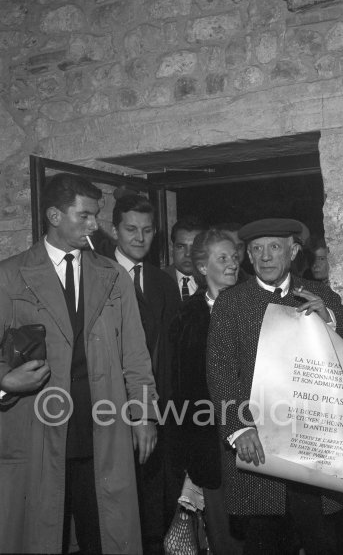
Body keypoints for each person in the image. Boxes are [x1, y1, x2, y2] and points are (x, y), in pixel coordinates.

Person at [0, 172, 158, 554]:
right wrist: (6, 383)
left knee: (106, 535)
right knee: (40, 535)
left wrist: (145, 415)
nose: (94, 225)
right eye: (84, 216)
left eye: (96, 216)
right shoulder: (9, 276)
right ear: (54, 216)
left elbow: (135, 354)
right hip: (35, 430)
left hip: (102, 430)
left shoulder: (113, 275)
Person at [206, 218, 343, 555]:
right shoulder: (231, 304)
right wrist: (240, 429)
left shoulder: (320, 294)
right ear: (248, 256)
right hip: (261, 451)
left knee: (323, 542)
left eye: (274, 247)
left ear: (293, 251)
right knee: (266, 541)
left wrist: (331, 319)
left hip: (315, 449)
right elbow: (221, 372)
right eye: (256, 249)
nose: (265, 256)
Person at [111, 192, 183, 554]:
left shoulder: (162, 282)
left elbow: (170, 354)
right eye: (130, 229)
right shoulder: (99, 277)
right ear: (114, 230)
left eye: (148, 230)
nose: (139, 238)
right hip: (110, 412)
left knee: (156, 506)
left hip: (160, 411)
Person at [170, 228, 242, 554]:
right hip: (209, 445)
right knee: (222, 536)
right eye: (222, 258)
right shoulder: (188, 316)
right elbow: (181, 387)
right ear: (202, 267)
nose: (232, 264)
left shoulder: (252, 308)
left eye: (235, 257)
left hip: (253, 433)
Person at [165, 216, 207, 300]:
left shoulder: (215, 281)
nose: (188, 254)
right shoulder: (157, 281)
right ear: (171, 248)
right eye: (180, 246)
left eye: (194, 247)